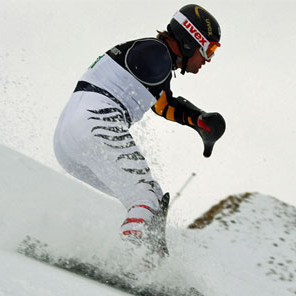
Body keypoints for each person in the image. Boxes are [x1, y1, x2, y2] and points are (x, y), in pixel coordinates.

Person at [53, 4, 226, 255]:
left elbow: (161, 103)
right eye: (209, 49)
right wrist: (200, 120)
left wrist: (199, 121)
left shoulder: (155, 56)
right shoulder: (156, 53)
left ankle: (147, 258)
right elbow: (163, 101)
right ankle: (135, 261)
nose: (207, 60)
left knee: (153, 198)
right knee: (146, 199)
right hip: (97, 121)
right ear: (191, 40)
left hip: (68, 139)